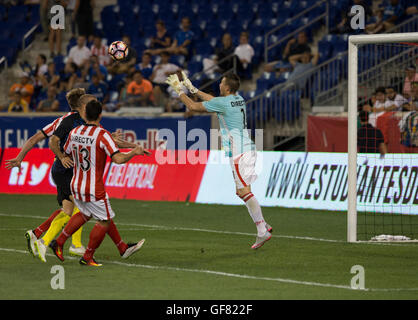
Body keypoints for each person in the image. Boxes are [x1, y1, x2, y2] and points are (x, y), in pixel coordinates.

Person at [166, 72, 273, 249]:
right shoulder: (238, 99)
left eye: (222, 83)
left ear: (227, 87)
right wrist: (194, 89)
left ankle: (262, 230)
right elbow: (214, 100)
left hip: (239, 152)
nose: (219, 85)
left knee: (243, 191)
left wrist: (180, 91)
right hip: (247, 148)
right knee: (242, 192)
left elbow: (192, 106)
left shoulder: (223, 103)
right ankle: (263, 223)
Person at [49, 100, 150, 266]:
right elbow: (118, 159)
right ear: (100, 115)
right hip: (93, 187)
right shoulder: (103, 135)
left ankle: (58, 242)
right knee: (105, 220)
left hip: (76, 183)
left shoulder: (75, 132)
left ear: (84, 114)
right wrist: (134, 152)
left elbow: (65, 150)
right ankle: (88, 256)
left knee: (84, 213)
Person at [6, 88, 87, 261]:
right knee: (81, 206)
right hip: (65, 169)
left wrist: (20, 157)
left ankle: (36, 233)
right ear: (82, 103)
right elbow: (51, 141)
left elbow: (34, 139)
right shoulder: (73, 121)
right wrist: (62, 156)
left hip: (64, 169)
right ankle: (76, 245)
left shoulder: (59, 121)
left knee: (67, 211)